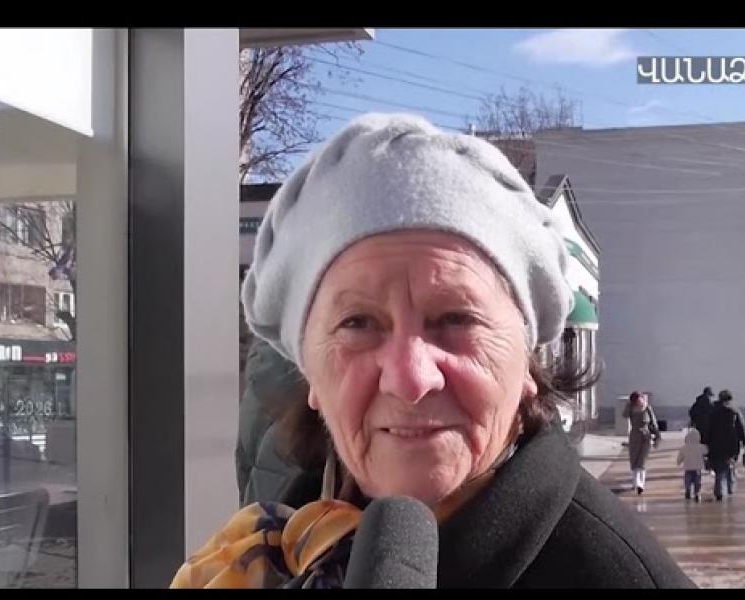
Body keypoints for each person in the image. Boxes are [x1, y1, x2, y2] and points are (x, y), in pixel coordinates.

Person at [174, 113, 692, 589]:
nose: (410, 378)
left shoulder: (615, 576)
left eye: (456, 319)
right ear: (309, 370)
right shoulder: (276, 543)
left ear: (529, 365)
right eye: (357, 323)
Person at [705, 389, 745, 501]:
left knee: (720, 469)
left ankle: (720, 491)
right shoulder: (735, 412)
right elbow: (741, 428)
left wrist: (705, 444)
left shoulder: (713, 412)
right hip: (731, 447)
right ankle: (729, 489)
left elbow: (707, 430)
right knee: (729, 467)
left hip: (715, 446)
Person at [623, 392, 661, 495]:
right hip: (635, 436)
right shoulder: (631, 408)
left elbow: (654, 422)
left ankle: (640, 484)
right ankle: (636, 482)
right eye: (637, 399)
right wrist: (628, 404)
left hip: (646, 436)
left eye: (641, 398)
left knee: (642, 460)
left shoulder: (647, 408)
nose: (640, 401)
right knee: (635, 459)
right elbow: (625, 415)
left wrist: (657, 436)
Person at [676, 428, 707, 502]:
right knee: (697, 482)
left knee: (687, 481)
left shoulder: (684, 448)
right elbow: (706, 451)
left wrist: (678, 462)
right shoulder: (701, 447)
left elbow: (680, 457)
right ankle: (697, 493)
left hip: (688, 468)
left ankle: (688, 490)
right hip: (697, 468)